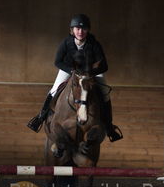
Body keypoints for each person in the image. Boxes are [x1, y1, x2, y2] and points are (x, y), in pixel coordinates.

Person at [27, 14, 123, 142]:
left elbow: (104, 65)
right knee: (54, 90)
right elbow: (58, 62)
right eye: (77, 29)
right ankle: (40, 117)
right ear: (72, 30)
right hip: (69, 70)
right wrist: (72, 71)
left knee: (105, 93)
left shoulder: (94, 44)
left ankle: (109, 127)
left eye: (83, 29)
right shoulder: (66, 42)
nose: (80, 32)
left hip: (90, 72)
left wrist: (90, 72)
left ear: (87, 30)